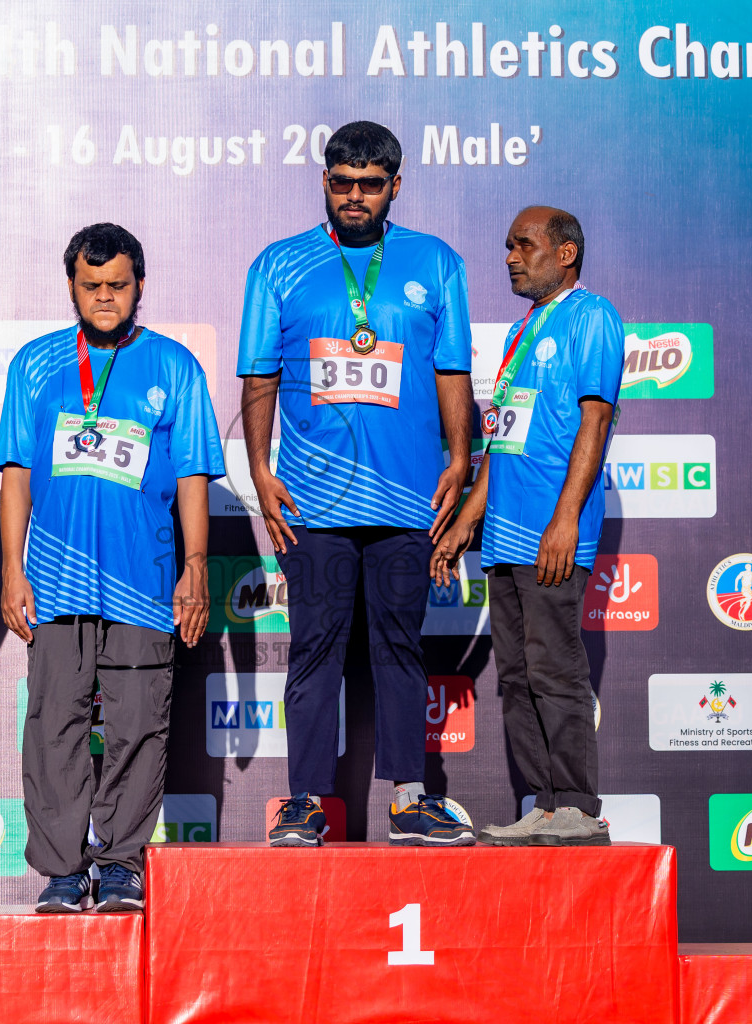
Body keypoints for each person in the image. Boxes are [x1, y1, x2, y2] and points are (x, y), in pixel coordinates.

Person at [238, 121, 477, 847]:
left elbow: (453, 372)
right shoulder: (278, 265)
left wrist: (460, 459)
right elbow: (258, 376)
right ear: (325, 182)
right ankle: (305, 803)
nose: (354, 197)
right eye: (341, 183)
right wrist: (258, 469)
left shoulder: (436, 263)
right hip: (314, 502)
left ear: (395, 187)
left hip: (407, 501)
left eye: (370, 185)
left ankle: (411, 798)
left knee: (401, 650)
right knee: (313, 650)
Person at [0, 223, 223, 912]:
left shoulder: (175, 366)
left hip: (145, 582)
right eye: (91, 286)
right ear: (72, 285)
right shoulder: (34, 363)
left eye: (117, 285)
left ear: (140, 286)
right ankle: (64, 871)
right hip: (57, 584)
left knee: (138, 726)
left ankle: (122, 861)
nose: (104, 298)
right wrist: (12, 569)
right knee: (54, 726)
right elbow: (13, 474)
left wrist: (195, 567)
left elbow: (191, 476)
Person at [431, 206, 624, 847]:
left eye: (524, 245)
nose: (510, 256)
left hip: (551, 532)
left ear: (565, 253)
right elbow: (502, 442)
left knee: (555, 670)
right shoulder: (526, 326)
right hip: (506, 537)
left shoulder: (592, 317)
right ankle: (544, 805)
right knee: (516, 677)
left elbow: (594, 423)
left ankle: (577, 804)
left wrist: (565, 517)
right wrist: (467, 520)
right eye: (507, 245)